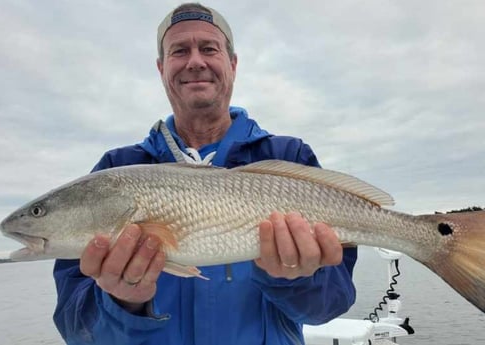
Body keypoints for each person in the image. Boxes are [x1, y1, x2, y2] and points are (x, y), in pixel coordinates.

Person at [53, 3, 357, 344]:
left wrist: (296, 278)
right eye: (179, 51)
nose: (195, 61)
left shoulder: (289, 156)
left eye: (209, 48)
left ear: (233, 63)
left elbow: (330, 305)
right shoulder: (115, 170)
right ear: (161, 68)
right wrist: (123, 301)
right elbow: (75, 330)